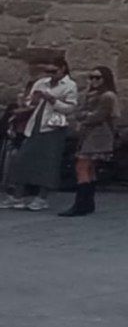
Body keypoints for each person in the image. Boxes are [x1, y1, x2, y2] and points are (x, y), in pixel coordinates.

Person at [5, 54, 76, 211]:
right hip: (35, 124)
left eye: (53, 71)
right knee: (23, 159)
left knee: (48, 162)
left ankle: (41, 198)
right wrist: (31, 101)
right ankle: (18, 195)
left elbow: (70, 108)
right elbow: (31, 102)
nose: (50, 74)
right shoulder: (41, 83)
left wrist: (52, 100)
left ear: (62, 69)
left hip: (53, 127)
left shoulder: (70, 86)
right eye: (47, 71)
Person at [61, 65, 118, 217]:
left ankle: (81, 204)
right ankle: (87, 203)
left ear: (105, 79)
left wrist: (85, 116)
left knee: (82, 165)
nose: (93, 81)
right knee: (89, 168)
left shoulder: (107, 96)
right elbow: (80, 112)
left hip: (98, 134)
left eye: (97, 77)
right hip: (90, 133)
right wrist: (86, 115)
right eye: (91, 77)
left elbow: (98, 116)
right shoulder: (91, 94)